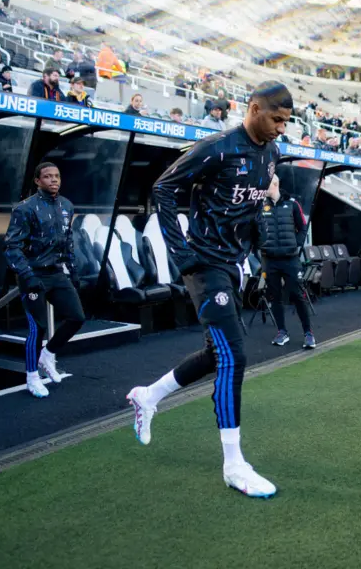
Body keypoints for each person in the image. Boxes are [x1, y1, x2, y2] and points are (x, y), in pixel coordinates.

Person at [126, 81, 293, 498]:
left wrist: (251, 254)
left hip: (232, 265)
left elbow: (251, 206)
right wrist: (182, 254)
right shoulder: (216, 147)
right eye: (276, 118)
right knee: (234, 355)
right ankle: (234, 465)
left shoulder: (272, 153)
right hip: (203, 264)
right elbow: (163, 188)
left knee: (215, 353)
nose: (280, 128)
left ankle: (148, 396)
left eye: (286, 122)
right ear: (253, 108)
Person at [4, 163, 85, 398]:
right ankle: (31, 377)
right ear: (38, 181)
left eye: (57, 176)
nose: (53, 180)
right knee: (37, 327)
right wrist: (27, 276)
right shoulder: (25, 208)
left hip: (56, 273)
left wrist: (74, 271)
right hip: (32, 274)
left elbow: (67, 242)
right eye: (47, 176)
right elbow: (11, 247)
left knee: (77, 318)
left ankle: (48, 355)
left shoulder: (67, 205)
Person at [259, 174, 314, 349]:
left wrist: (297, 243)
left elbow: (303, 226)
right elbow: (253, 230)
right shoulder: (259, 206)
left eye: (265, 184)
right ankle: (282, 332)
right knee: (275, 297)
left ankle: (308, 333)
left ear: (274, 184)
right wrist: (259, 246)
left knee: (298, 295)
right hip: (270, 260)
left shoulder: (292, 204)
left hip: (290, 259)